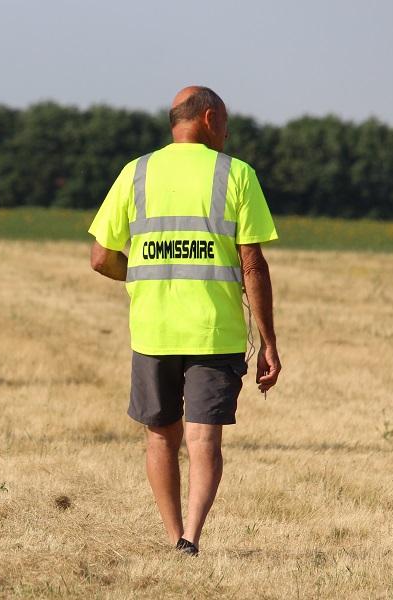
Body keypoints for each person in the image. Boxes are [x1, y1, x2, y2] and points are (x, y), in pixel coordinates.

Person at [88, 86, 281, 555]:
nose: (228, 132)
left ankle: (173, 533)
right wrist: (269, 341)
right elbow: (251, 264)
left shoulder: (136, 172)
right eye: (227, 123)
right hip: (215, 331)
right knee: (203, 438)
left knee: (161, 435)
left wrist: (140, 275)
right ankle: (192, 538)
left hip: (153, 328)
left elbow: (99, 258)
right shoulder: (236, 173)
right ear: (209, 118)